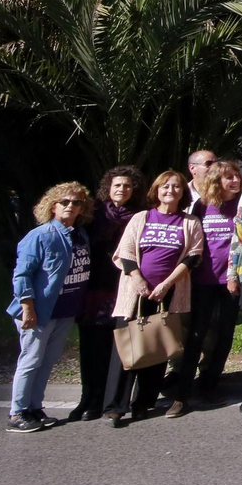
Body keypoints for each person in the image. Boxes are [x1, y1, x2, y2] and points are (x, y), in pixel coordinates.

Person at [104, 170, 205, 427]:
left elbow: (193, 256)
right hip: (135, 294)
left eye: (176, 187)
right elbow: (125, 251)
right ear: (156, 190)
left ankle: (143, 403)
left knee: (156, 348)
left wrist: (167, 284)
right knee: (127, 348)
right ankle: (116, 406)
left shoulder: (190, 222)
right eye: (165, 187)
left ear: (183, 193)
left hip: (167, 294)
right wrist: (138, 280)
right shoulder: (141, 217)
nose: (170, 191)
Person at [6, 182, 93, 433]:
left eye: (76, 203)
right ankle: (16, 413)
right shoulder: (40, 236)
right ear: (52, 206)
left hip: (65, 310)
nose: (70, 206)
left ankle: (34, 407)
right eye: (64, 202)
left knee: (47, 361)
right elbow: (22, 275)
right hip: (39, 311)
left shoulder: (80, 234)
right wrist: (28, 307)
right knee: (30, 360)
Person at [72, 166, 146, 422]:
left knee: (116, 347)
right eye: (117, 185)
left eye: (127, 186)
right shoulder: (93, 213)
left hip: (122, 287)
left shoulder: (139, 215)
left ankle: (106, 399)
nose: (122, 190)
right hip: (93, 287)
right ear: (108, 187)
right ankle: (87, 398)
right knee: (90, 346)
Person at [171, 159, 242, 415]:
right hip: (203, 280)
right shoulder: (202, 206)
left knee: (225, 335)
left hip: (232, 280)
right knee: (196, 335)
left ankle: (210, 386)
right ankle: (182, 394)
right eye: (229, 177)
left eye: (237, 176)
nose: (235, 180)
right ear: (216, 181)